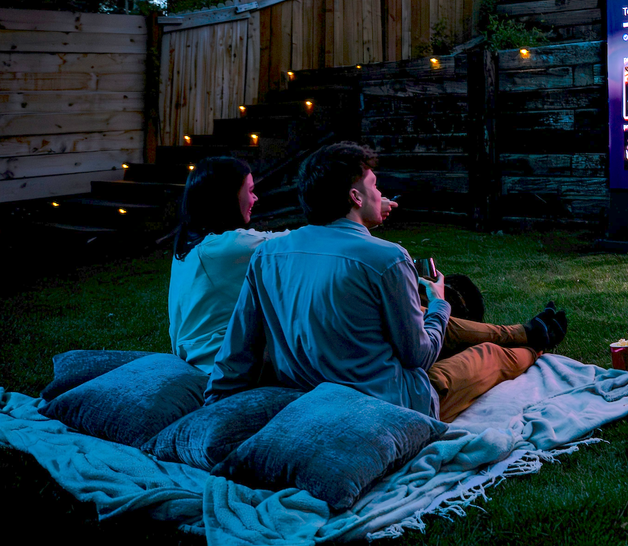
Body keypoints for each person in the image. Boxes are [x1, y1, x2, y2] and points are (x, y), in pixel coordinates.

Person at [205, 142, 567, 422]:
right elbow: (419, 355)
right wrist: (440, 303)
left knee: (436, 325)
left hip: (308, 396)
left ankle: (527, 330)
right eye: (375, 185)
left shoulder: (268, 256)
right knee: (488, 356)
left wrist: (212, 410)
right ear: (355, 196)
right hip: (392, 405)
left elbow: (237, 351)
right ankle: (537, 348)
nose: (381, 194)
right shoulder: (387, 258)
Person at [167, 157, 298, 373]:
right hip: (217, 362)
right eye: (250, 190)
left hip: (194, 354)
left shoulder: (190, 244)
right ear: (226, 196)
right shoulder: (225, 248)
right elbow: (300, 243)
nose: (255, 198)